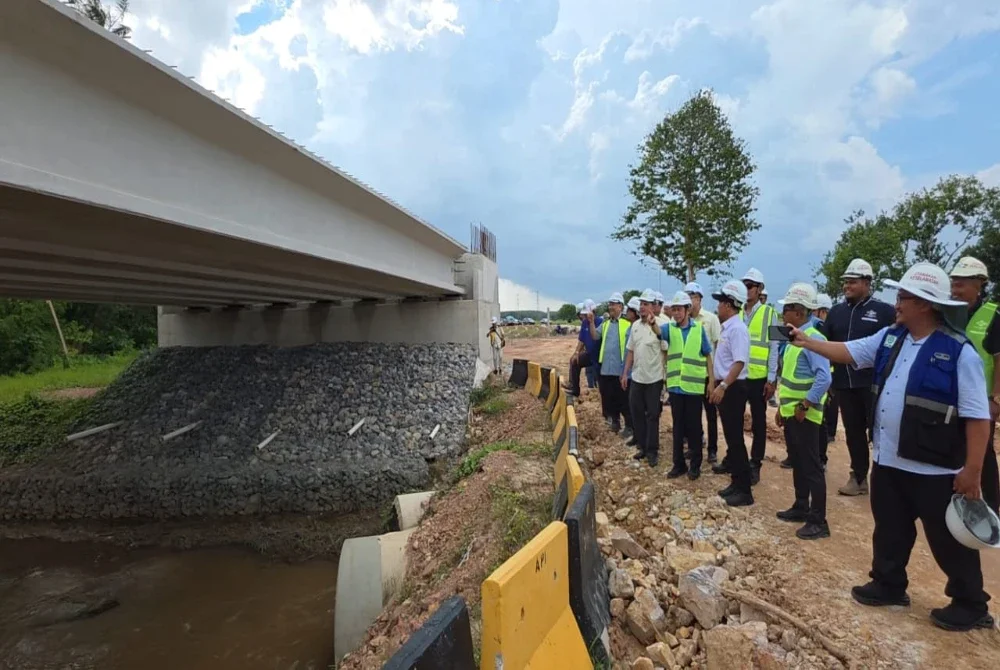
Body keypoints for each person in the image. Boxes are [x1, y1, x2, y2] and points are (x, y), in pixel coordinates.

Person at [789, 261, 993, 632]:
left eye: (904, 297)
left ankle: (971, 604)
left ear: (926, 305)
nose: (896, 303)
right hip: (889, 461)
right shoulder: (889, 338)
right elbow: (848, 351)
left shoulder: (958, 353)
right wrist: (805, 340)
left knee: (948, 540)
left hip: (935, 468)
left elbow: (979, 418)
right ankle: (888, 583)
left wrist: (972, 471)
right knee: (890, 529)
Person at [825, 259, 896, 497]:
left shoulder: (885, 312)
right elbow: (825, 347)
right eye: (845, 282)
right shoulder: (836, 313)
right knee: (853, 432)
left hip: (874, 386)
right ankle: (858, 477)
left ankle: (885, 480)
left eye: (852, 282)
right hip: (844, 384)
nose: (847, 286)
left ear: (867, 283)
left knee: (879, 432)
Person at [774, 283, 832, 540]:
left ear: (798, 312)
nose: (782, 314)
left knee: (811, 466)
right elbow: (788, 379)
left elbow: (824, 379)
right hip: (792, 413)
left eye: (786, 309)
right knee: (798, 460)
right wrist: (784, 409)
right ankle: (801, 506)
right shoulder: (793, 340)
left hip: (805, 415)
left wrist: (805, 405)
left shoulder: (814, 340)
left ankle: (819, 521)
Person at [950, 256, 1000, 515]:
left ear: (978, 285)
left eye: (961, 284)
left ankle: (991, 506)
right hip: (950, 395)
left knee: (983, 453)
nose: (955, 290)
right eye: (953, 284)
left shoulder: (993, 314)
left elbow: (998, 358)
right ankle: (957, 498)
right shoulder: (948, 312)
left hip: (980, 398)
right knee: (953, 445)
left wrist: (996, 398)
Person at [710, 280, 754, 507]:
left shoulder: (737, 330)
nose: (717, 307)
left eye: (720, 303)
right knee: (731, 437)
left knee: (736, 439)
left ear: (729, 305)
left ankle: (744, 490)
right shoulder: (729, 328)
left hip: (733, 388)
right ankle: (736, 483)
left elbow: (739, 363)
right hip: (727, 386)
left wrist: (723, 386)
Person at [662, 291, 715, 480]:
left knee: (693, 427)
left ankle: (695, 465)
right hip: (676, 387)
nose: (676, 313)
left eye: (679, 309)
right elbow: (658, 332)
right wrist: (652, 323)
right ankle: (679, 464)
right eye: (673, 309)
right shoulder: (670, 328)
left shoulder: (698, 329)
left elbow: (708, 356)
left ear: (687, 310)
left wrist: (712, 382)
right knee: (678, 427)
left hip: (693, 388)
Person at [736, 268, 780, 485]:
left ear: (760, 289)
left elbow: (775, 347)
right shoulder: (738, 312)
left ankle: (755, 464)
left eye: (751, 285)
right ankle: (734, 458)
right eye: (744, 285)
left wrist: (772, 378)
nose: (747, 289)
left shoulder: (771, 314)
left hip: (759, 378)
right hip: (739, 376)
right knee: (734, 419)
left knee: (759, 423)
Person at [622, 291, 667, 466]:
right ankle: (642, 446)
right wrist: (625, 373)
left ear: (653, 306)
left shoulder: (662, 325)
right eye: (641, 303)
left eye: (646, 304)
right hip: (637, 377)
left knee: (653, 415)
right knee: (637, 412)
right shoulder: (635, 327)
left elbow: (666, 350)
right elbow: (630, 351)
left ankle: (652, 451)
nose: (642, 307)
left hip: (654, 379)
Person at [686, 282, 722, 464]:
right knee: (692, 415)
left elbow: (718, 346)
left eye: (692, 297)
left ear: (699, 298)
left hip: (708, 375)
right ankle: (695, 445)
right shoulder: (684, 322)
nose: (689, 301)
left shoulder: (710, 319)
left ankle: (713, 450)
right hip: (691, 376)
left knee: (710, 415)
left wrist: (713, 378)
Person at [590, 292, 632, 435]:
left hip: (620, 369)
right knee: (609, 397)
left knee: (623, 399)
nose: (611, 307)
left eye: (613, 304)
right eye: (610, 304)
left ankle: (628, 425)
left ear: (620, 306)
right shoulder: (605, 324)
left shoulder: (627, 324)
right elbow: (595, 336)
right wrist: (590, 322)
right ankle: (615, 422)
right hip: (606, 368)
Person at [814, 293, 838, 452]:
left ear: (822, 312)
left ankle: (829, 434)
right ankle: (830, 432)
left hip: (827, 373)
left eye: (814, 311)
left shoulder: (822, 329)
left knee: (826, 410)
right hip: (827, 373)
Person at [566, 301, 602, 397]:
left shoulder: (601, 322)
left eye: (586, 313)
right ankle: (575, 390)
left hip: (599, 356)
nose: (584, 316)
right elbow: (581, 340)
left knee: (601, 381)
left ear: (593, 311)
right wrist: (577, 352)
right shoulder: (585, 323)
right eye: (584, 314)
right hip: (590, 354)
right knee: (574, 362)